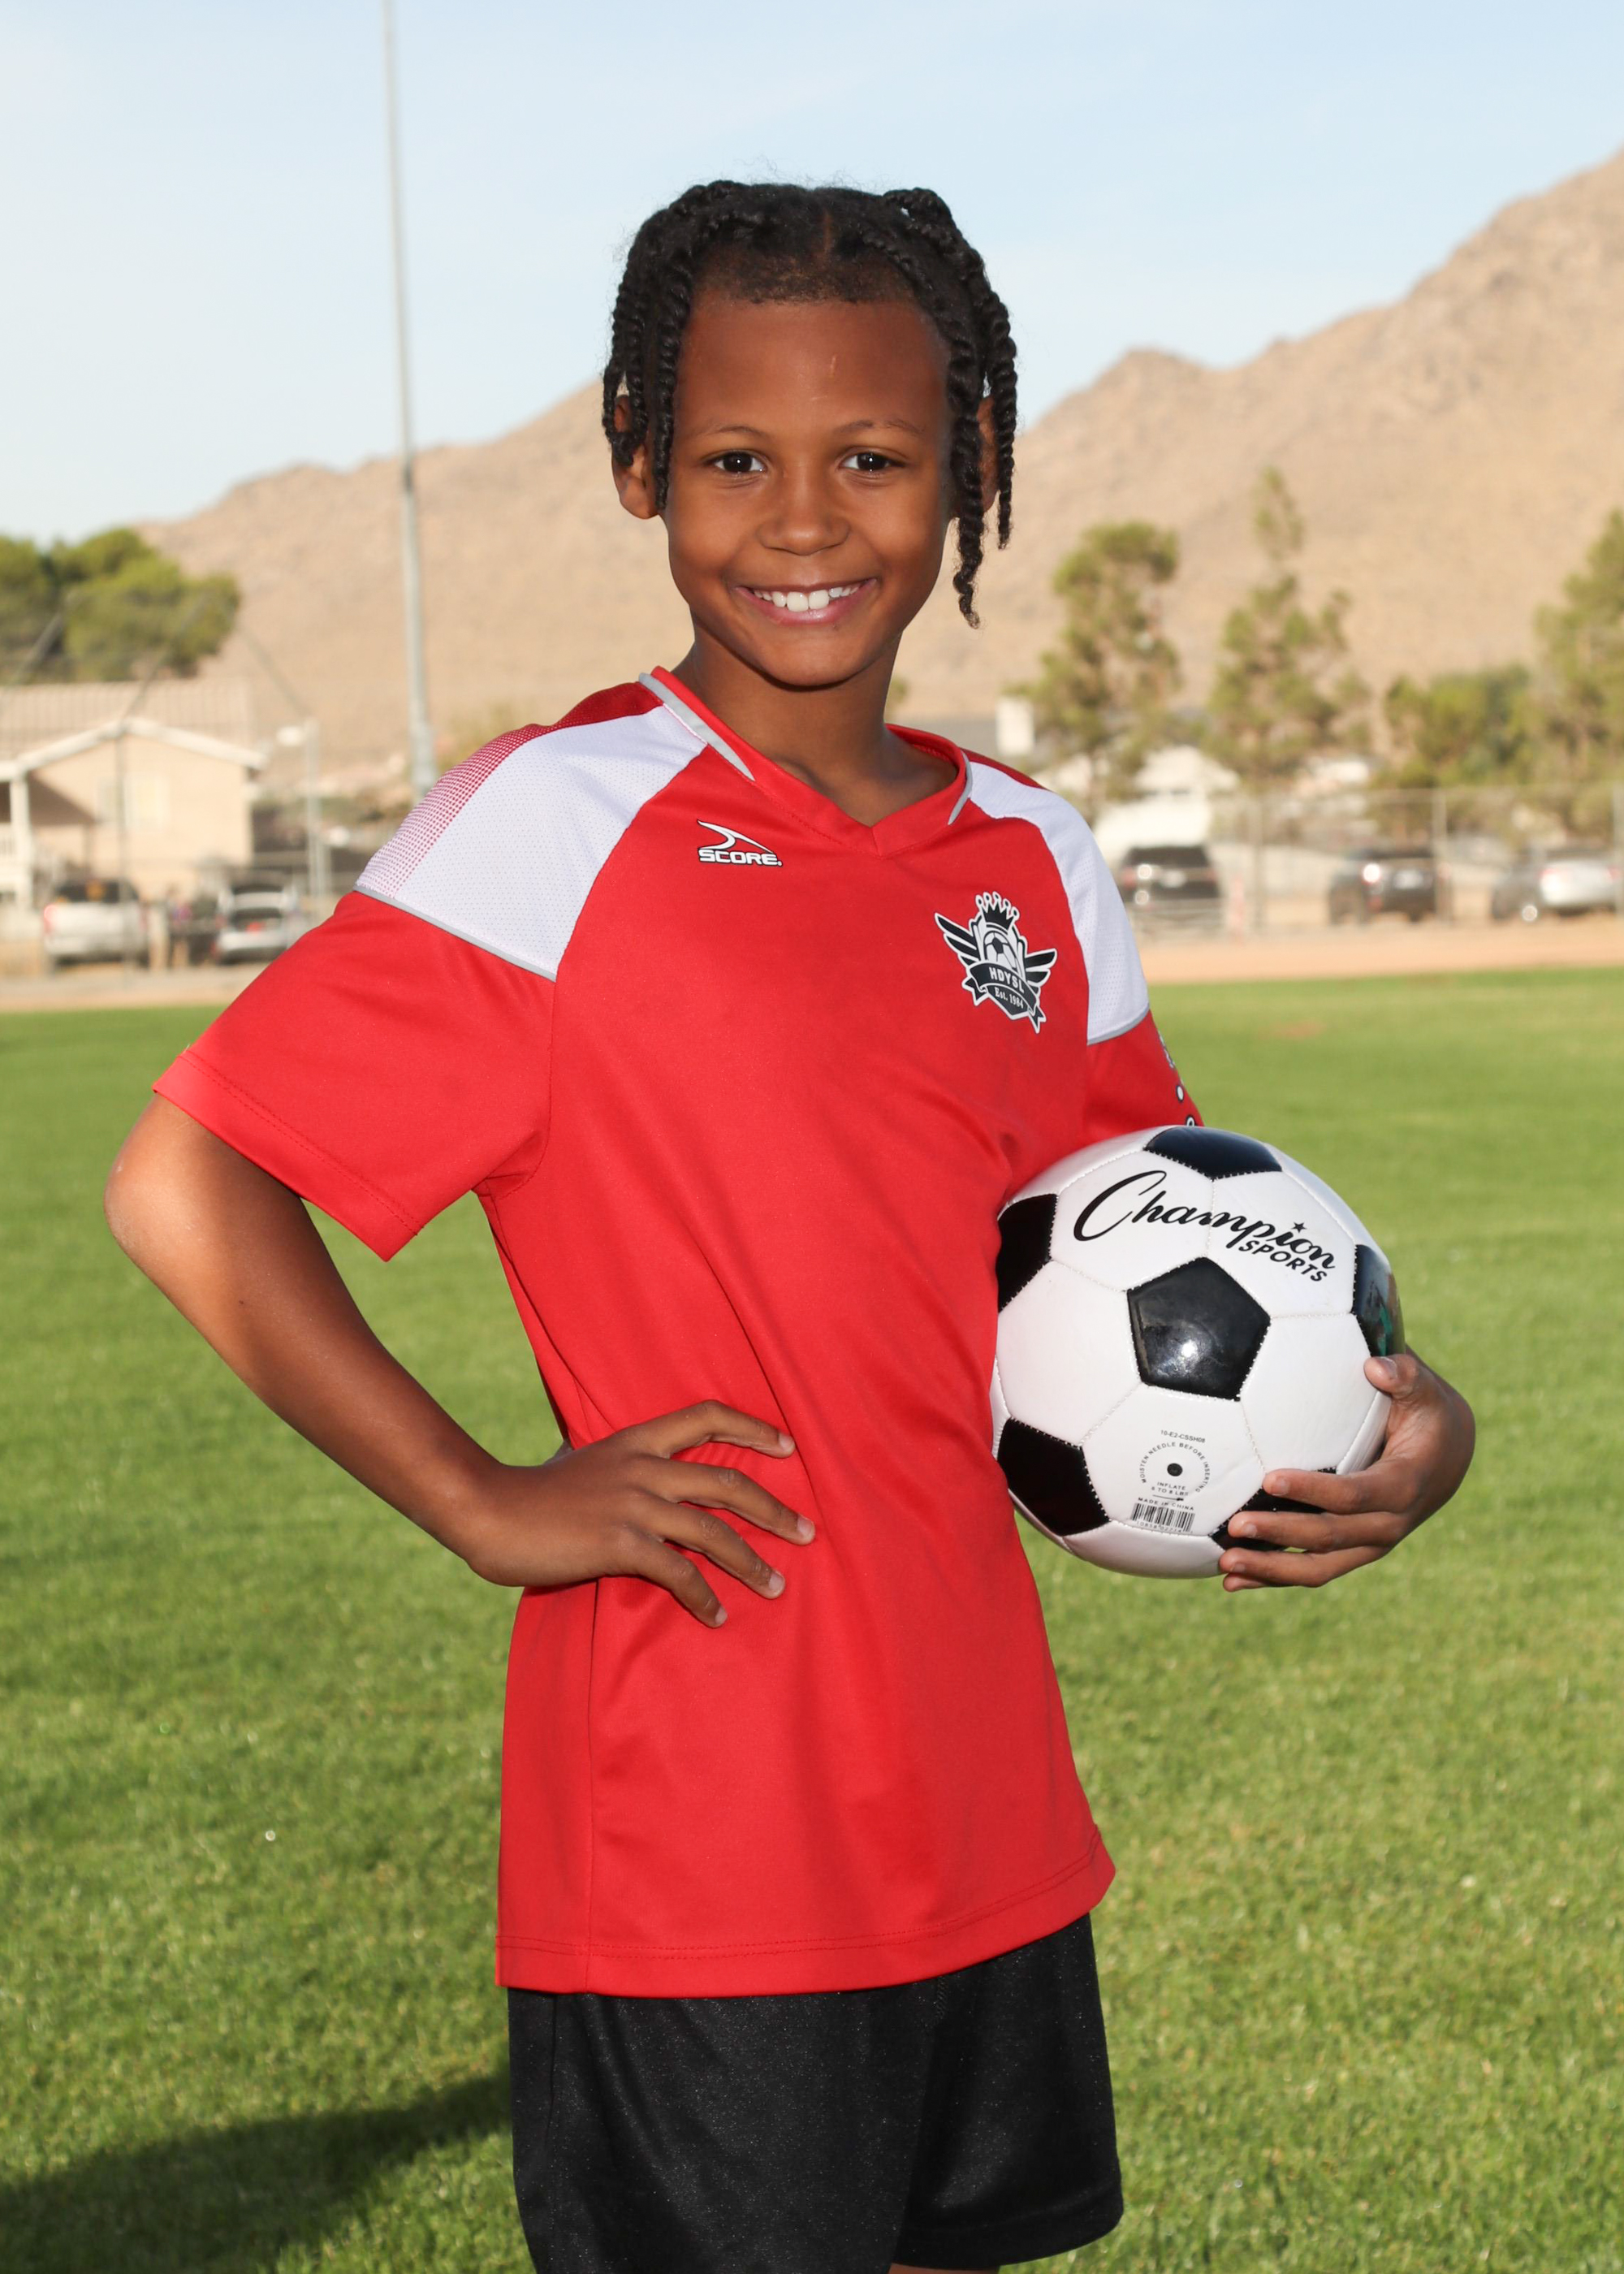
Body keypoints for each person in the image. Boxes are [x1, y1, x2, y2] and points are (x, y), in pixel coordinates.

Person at [105, 183, 1475, 2274]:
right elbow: (186, 1178)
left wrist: (1399, 1432)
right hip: (698, 1835)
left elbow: (1172, 1253)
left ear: (973, 464)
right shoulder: (554, 824)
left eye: (877, 457)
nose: (807, 520)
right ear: (638, 460)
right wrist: (480, 1496)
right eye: (737, 459)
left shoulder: (1034, 853)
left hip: (986, 1810)